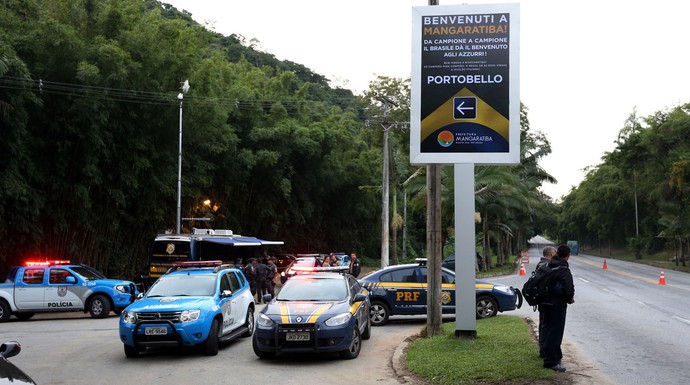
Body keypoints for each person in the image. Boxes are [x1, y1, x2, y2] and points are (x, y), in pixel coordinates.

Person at [539, 244, 575, 372]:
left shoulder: (549, 264)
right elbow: (569, 290)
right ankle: (551, 361)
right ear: (568, 255)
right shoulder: (563, 269)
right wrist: (569, 299)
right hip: (556, 305)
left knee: (548, 330)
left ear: (556, 254)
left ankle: (553, 355)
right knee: (555, 333)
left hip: (545, 303)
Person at [537, 246, 557, 359]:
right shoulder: (546, 266)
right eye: (555, 253)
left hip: (542, 300)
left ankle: (543, 348)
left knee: (543, 325)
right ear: (550, 254)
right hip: (546, 300)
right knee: (546, 326)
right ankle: (544, 350)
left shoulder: (540, 264)